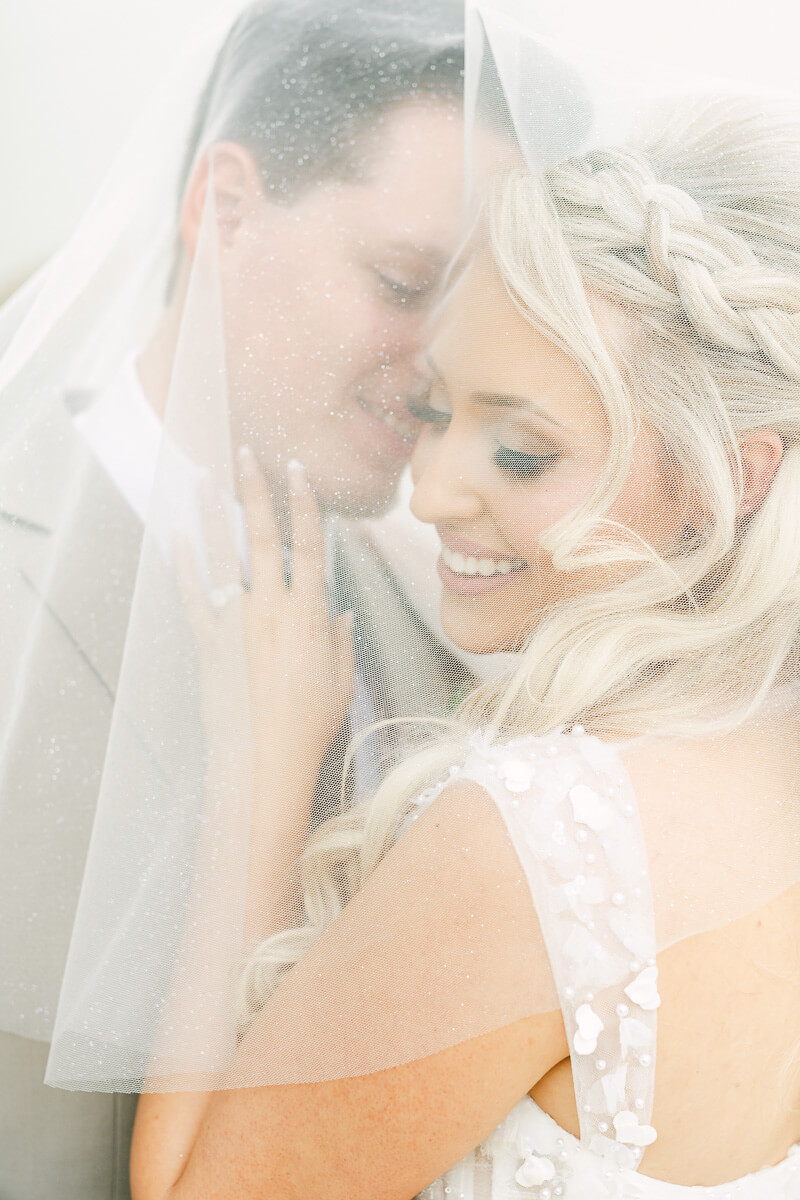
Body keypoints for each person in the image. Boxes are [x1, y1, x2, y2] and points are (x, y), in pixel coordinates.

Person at [126, 93, 800, 1198]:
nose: (427, 491)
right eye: (436, 413)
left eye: (522, 452)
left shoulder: (539, 844)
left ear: (735, 477)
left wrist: (259, 780)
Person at [0, 3, 471, 1196]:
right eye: (403, 279)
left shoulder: (449, 617)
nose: (442, 367)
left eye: (475, 303)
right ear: (222, 205)